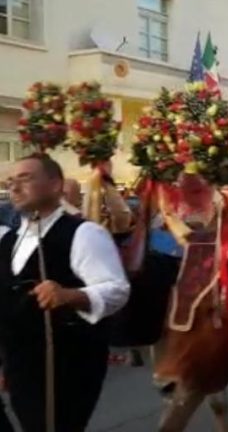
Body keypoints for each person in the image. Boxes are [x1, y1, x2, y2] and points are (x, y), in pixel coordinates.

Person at [0, 155, 130, 431]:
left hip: (66, 362)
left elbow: (116, 289)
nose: (14, 187)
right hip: (20, 360)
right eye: (11, 182)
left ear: (56, 184)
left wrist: (70, 295)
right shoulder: (9, 239)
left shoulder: (83, 233)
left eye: (25, 178)